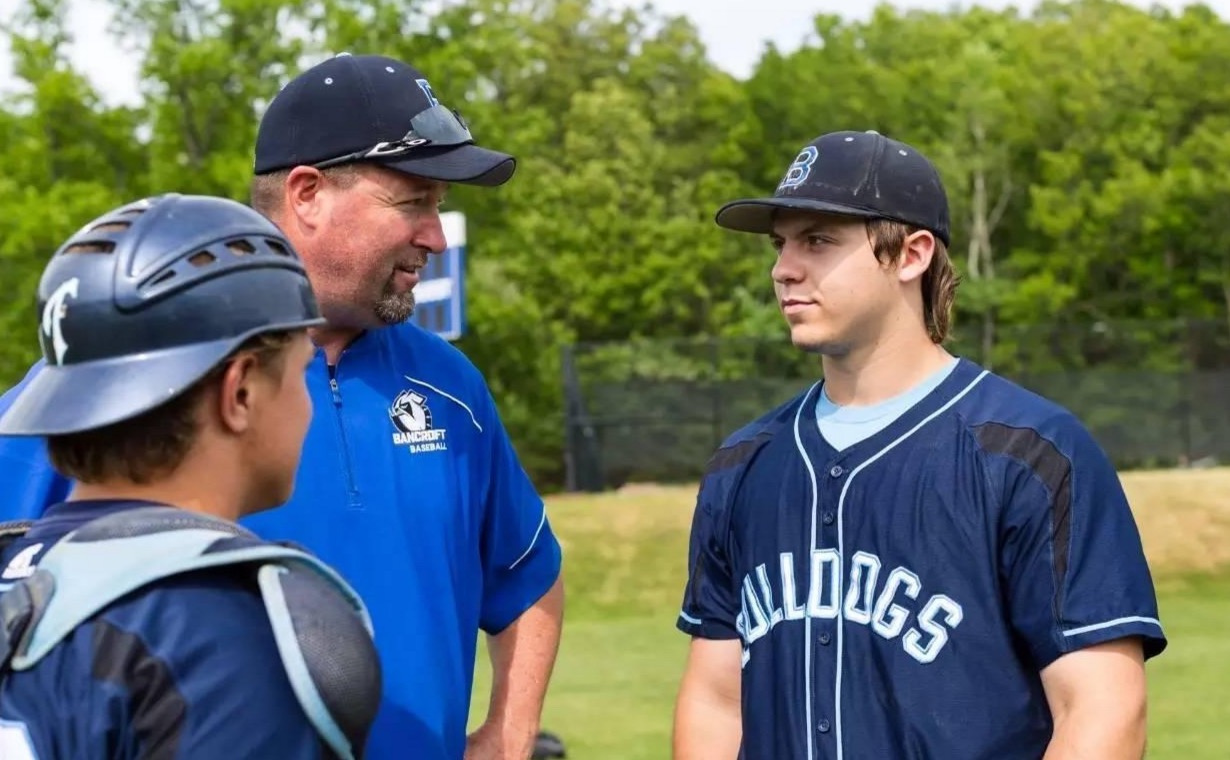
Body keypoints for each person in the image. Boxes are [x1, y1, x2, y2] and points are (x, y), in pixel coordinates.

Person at [0, 52, 564, 760]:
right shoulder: (108, 382)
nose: (435, 236)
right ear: (306, 193)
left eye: (438, 208)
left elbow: (530, 576)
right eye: (413, 202)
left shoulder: (451, 387)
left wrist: (509, 735)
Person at [671, 130, 1167, 759]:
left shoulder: (1028, 453)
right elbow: (717, 699)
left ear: (911, 255)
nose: (783, 268)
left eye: (818, 240)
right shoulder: (745, 463)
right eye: (780, 243)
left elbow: (1103, 707)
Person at [0, 193, 381, 759]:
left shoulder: (17, 573)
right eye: (299, 372)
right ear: (241, 391)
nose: (307, 407)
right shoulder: (220, 630)